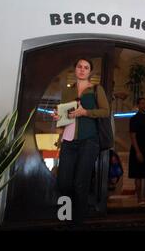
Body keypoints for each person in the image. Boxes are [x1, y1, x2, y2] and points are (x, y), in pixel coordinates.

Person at [52, 57, 110, 226]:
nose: (82, 69)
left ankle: (76, 224)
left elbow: (105, 112)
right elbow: (64, 116)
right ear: (75, 69)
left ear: (90, 71)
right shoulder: (68, 91)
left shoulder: (96, 89)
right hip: (68, 141)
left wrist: (85, 112)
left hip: (89, 141)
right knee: (63, 182)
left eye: (86, 67)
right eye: (79, 66)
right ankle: (66, 218)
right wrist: (58, 117)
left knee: (80, 184)